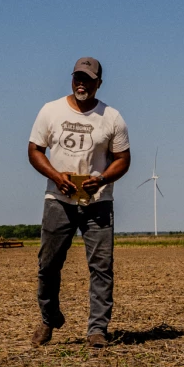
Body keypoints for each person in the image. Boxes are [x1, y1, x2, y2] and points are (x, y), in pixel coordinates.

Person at [27, 57, 131, 349]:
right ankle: (48, 319)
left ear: (99, 83)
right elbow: (35, 150)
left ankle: (97, 330)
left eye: (88, 79)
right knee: (48, 264)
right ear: (71, 79)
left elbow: (123, 159)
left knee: (101, 267)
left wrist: (102, 179)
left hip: (98, 202)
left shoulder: (112, 118)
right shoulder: (51, 111)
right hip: (58, 200)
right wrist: (55, 175)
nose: (81, 84)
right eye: (77, 78)